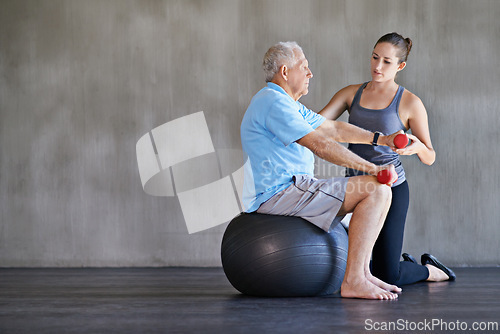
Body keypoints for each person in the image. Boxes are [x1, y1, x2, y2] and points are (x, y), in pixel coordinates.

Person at [241, 41, 404, 300]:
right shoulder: (273, 102)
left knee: (379, 191)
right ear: (285, 72)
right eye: (304, 67)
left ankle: (362, 274)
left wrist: (380, 139)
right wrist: (373, 168)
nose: (310, 73)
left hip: (294, 188)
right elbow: (318, 144)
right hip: (280, 192)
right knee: (375, 190)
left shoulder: (288, 104)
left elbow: (332, 129)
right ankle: (353, 280)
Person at [320, 32, 455, 285]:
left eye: (386, 61)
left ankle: (430, 271)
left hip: (391, 189)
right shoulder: (351, 94)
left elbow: (430, 157)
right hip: (354, 188)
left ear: (400, 66)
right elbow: (317, 123)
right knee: (350, 267)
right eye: (374, 57)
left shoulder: (410, 102)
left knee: (387, 275)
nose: (377, 66)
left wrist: (416, 148)